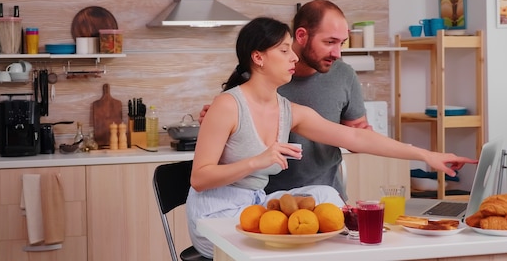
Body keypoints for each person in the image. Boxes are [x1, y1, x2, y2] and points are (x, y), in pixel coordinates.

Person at [186, 16, 476, 258]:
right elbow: (199, 178)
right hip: (215, 217)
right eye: (285, 50)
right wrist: (256, 162)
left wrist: (428, 156)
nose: (294, 57)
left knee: (326, 195)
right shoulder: (227, 105)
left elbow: (356, 138)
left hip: (254, 208)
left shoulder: (289, 110)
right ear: (258, 57)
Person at [199, 0, 370, 200]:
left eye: (341, 43)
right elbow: (212, 164)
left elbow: (357, 134)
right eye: (330, 42)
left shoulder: (343, 75)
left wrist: (369, 138)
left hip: (325, 195)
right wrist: (216, 122)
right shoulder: (256, 81)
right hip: (268, 199)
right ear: (302, 35)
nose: (337, 53)